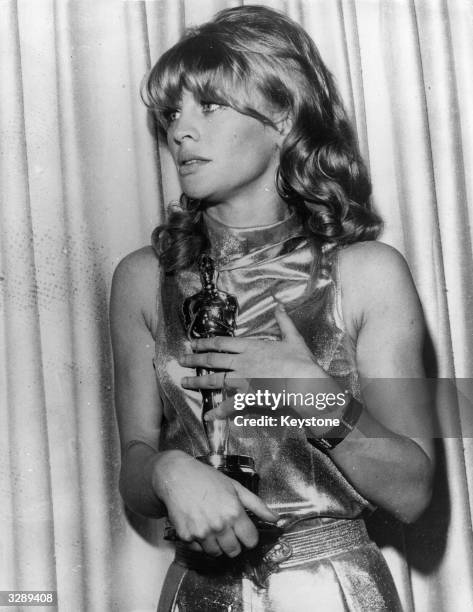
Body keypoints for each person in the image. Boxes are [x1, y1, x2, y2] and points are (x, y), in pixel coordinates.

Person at [110, 5, 434, 611]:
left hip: (333, 593)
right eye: (171, 112)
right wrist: (164, 472)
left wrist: (302, 388)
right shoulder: (141, 279)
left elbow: (414, 491)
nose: (180, 129)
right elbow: (133, 465)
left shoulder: (368, 273)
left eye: (208, 106)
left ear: (283, 116)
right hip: (195, 594)